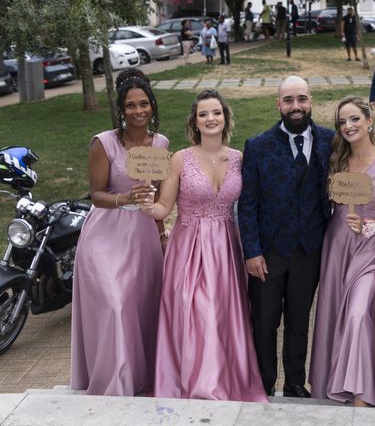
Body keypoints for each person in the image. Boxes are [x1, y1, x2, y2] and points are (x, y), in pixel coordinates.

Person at [139, 90, 267, 402]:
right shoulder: (181, 159)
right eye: (203, 114)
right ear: (195, 122)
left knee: (222, 315)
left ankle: (223, 380)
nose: (210, 119)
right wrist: (145, 203)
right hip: (189, 247)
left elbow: (252, 205)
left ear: (225, 118)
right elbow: (163, 208)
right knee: (195, 311)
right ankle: (198, 387)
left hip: (225, 246)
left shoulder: (239, 158)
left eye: (216, 113)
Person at [71, 68, 168, 396]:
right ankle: (115, 384)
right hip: (106, 236)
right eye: (131, 105)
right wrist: (123, 197)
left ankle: (141, 379)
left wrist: (162, 234)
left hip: (143, 236)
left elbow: (158, 196)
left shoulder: (161, 144)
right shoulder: (104, 143)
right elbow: (95, 195)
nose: (138, 111)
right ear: (120, 110)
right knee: (116, 305)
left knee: (141, 308)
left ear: (152, 105)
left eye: (144, 104)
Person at [238, 76, 334, 398]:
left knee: (298, 321)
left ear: (311, 102)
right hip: (268, 252)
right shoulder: (257, 145)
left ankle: (295, 383)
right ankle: (263, 383)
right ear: (278, 104)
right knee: (264, 324)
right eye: (289, 100)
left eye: (302, 99)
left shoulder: (329, 140)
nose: (296, 107)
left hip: (309, 249)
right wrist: (251, 252)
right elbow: (247, 204)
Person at [310, 96, 375, 407]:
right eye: (342, 122)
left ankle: (362, 396)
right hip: (337, 245)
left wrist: (371, 224)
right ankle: (331, 385)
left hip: (368, 249)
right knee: (333, 315)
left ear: (369, 121)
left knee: (358, 314)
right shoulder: (336, 160)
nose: (348, 126)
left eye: (354, 119)